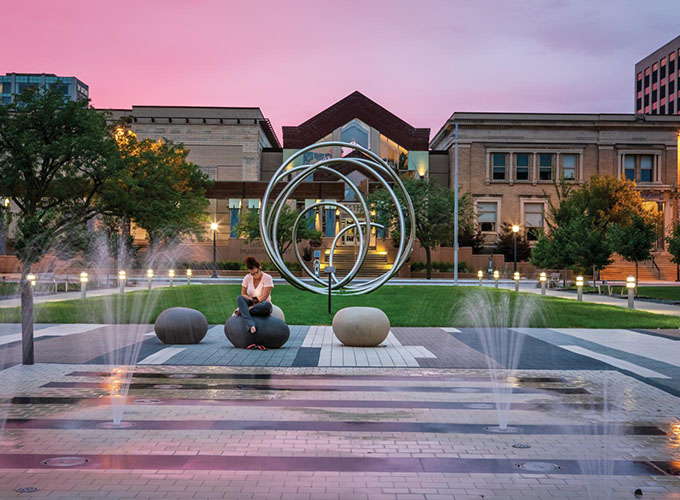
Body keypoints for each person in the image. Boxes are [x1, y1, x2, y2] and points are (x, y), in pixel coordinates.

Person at [235, 256, 274, 340]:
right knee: (239, 298)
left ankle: (244, 310)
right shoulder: (247, 278)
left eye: (256, 272)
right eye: (252, 274)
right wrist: (251, 299)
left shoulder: (268, 278)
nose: (255, 275)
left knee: (266, 305)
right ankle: (251, 324)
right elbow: (243, 294)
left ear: (259, 268)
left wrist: (256, 303)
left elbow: (265, 296)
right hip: (251, 301)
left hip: (262, 304)